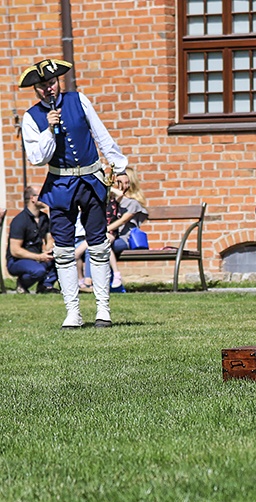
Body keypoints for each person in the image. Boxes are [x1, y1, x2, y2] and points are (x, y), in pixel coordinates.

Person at [19, 58, 128, 327]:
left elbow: (101, 135)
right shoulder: (31, 118)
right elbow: (37, 158)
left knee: (99, 244)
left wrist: (120, 167)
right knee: (64, 250)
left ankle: (103, 309)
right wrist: (48, 127)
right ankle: (73, 311)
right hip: (59, 186)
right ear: (36, 89)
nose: (49, 89)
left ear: (58, 82)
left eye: (52, 83)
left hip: (91, 181)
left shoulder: (79, 100)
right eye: (43, 86)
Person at [6, 184, 58, 294]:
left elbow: (49, 239)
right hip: (17, 261)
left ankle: (45, 286)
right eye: (43, 195)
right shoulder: (20, 221)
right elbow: (15, 251)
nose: (46, 198)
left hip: (37, 258)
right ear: (33, 198)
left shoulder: (44, 218)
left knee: (59, 259)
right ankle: (22, 283)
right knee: (38, 270)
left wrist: (48, 251)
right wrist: (39, 257)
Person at [106, 166, 149, 290]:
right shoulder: (114, 200)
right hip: (112, 237)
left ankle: (115, 280)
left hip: (126, 239)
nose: (118, 185)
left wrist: (105, 230)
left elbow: (122, 221)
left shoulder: (133, 203)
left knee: (103, 246)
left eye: (122, 182)